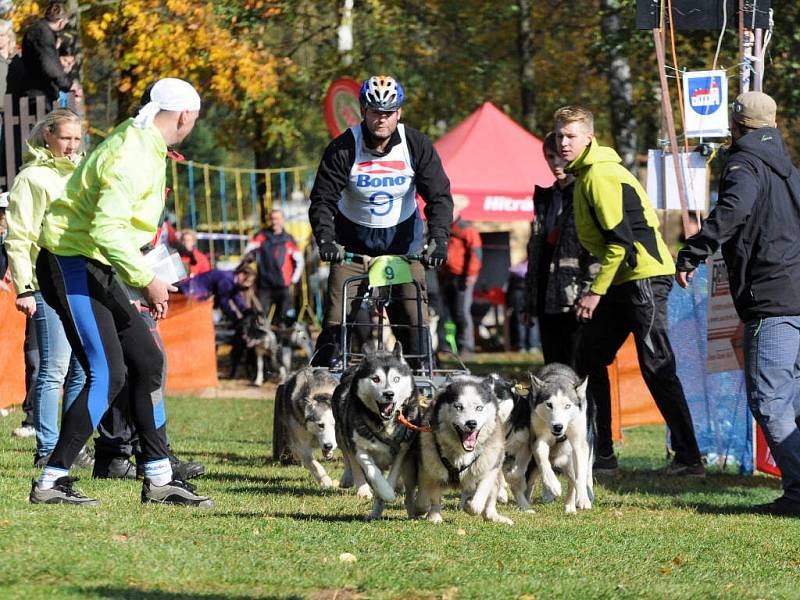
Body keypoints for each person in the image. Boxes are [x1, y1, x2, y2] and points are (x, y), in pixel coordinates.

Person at [29, 77, 213, 507]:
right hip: (70, 262)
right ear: (186, 116)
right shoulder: (133, 152)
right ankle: (51, 481)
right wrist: (145, 280)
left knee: (147, 360)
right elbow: (105, 228)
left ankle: (160, 478)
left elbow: (124, 230)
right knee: (107, 372)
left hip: (99, 263)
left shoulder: (145, 143)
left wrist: (139, 278)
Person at [556, 105, 703, 476]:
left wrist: (593, 293)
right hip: (624, 279)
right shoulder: (586, 174)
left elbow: (620, 244)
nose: (563, 143)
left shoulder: (600, 176)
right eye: (559, 136)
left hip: (644, 278)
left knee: (657, 366)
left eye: (570, 136)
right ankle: (601, 453)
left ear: (589, 137)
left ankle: (689, 458)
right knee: (589, 357)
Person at [676, 92, 800, 516]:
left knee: (769, 399)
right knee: (792, 399)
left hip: (773, 299)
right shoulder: (790, 172)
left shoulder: (744, 164)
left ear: (736, 126)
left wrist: (694, 250)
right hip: (793, 297)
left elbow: (732, 211)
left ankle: (799, 493)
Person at [308, 74, 453, 367]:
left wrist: (438, 239)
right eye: (375, 112)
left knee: (413, 318)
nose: (381, 119)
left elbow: (439, 196)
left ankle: (420, 374)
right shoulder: (344, 147)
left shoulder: (416, 144)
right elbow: (323, 200)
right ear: (363, 110)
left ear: (398, 112)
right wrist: (326, 239)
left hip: (402, 245)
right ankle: (324, 376)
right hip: (352, 247)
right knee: (337, 319)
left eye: (388, 113)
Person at [4, 109, 92, 468]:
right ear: (47, 137)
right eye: (65, 138)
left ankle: (70, 447)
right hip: (46, 284)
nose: (72, 145)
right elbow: (19, 236)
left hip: (82, 284)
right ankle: (46, 449)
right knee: (53, 369)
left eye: (76, 139)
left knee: (82, 370)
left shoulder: (84, 175)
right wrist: (24, 288)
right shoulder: (32, 178)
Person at [525, 131, 598, 366]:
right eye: (549, 157)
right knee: (554, 369)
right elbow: (535, 254)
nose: (555, 163)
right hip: (547, 296)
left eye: (559, 156)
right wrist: (530, 301)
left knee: (579, 369)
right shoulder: (545, 199)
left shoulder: (586, 192)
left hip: (577, 295)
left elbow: (597, 250)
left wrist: (590, 291)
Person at [439, 196, 482, 357]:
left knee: (462, 313)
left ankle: (467, 347)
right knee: (448, 313)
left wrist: (471, 275)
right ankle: (450, 346)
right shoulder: (447, 229)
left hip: (462, 277)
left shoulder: (467, 230)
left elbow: (475, 254)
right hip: (448, 277)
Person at [18, 1, 80, 110]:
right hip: (38, 94)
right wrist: (69, 85)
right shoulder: (43, 34)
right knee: (43, 125)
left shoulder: (39, 30)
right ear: (61, 22)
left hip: (37, 93)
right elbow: (50, 66)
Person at [253, 208, 303, 325]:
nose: (275, 221)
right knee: (259, 319)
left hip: (283, 286)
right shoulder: (261, 236)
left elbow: (299, 261)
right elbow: (248, 254)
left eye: (277, 218)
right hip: (264, 286)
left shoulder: (289, 239)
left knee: (285, 319)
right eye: (272, 218)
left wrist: (294, 279)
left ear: (283, 220)